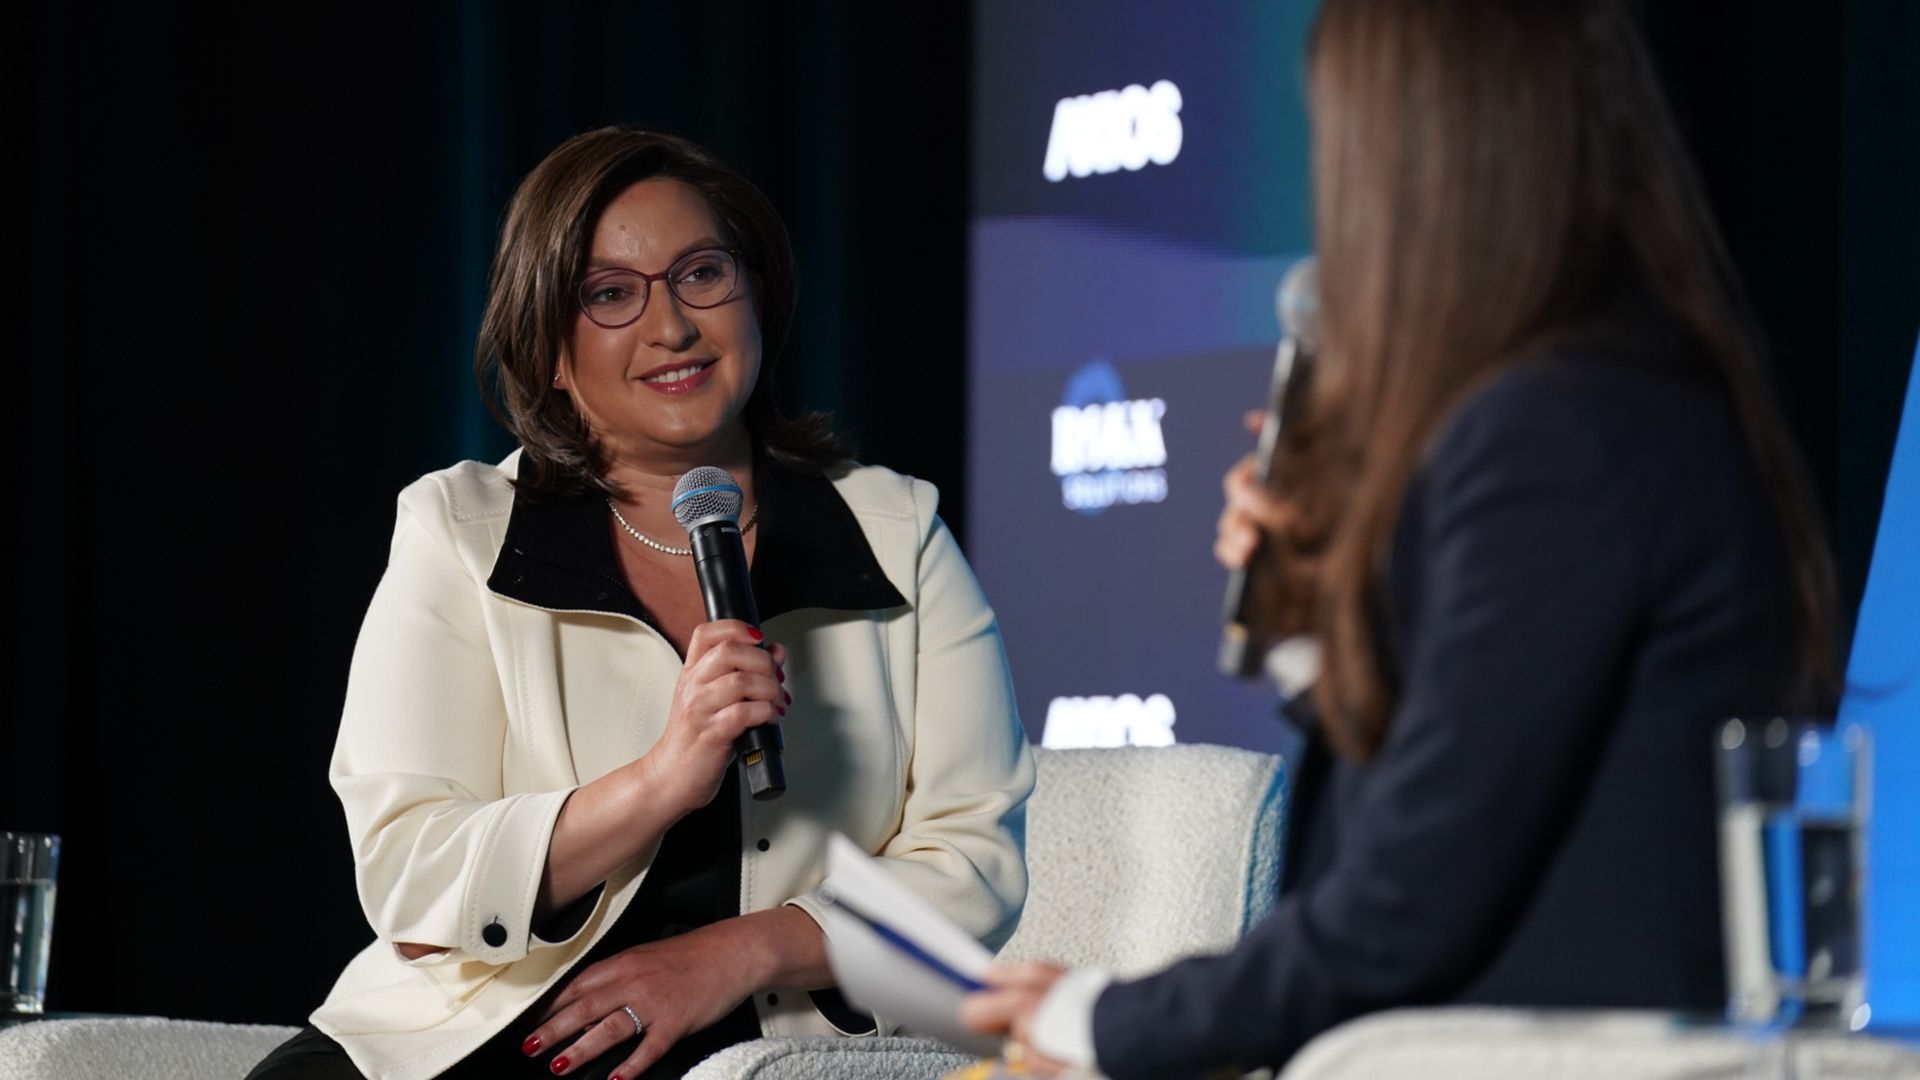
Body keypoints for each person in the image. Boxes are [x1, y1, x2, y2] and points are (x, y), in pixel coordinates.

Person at [960, 0, 1837, 1075]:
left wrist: (1101, 1023)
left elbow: (1401, 906)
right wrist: (1310, 607)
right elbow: (1441, 787)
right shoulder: (1594, 397)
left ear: (1417, 161)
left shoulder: (1560, 427)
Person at [249, 127, 1034, 1080]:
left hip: (760, 1045)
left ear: (757, 295)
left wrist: (740, 951)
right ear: (548, 350)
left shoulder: (895, 532)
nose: (672, 328)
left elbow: (975, 860)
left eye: (702, 274)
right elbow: (410, 878)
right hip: (479, 1027)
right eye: (610, 294)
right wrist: (661, 780)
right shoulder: (460, 530)